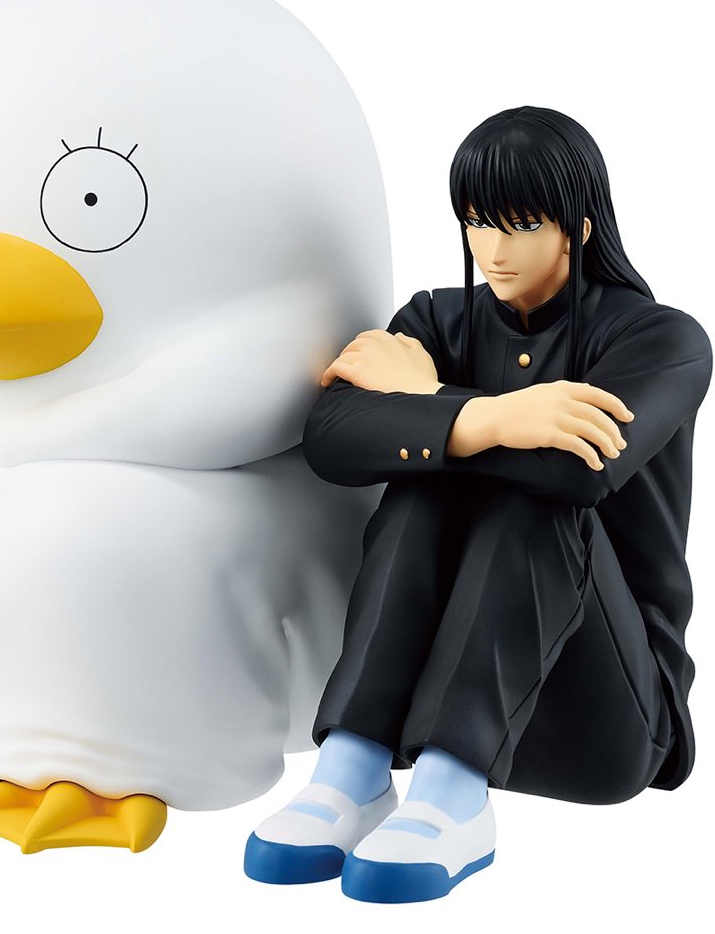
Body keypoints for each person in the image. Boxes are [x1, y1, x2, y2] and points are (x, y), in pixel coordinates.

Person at [243, 106, 713, 903]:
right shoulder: (435, 319)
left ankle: (454, 800)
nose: (492, 250)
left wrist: (427, 401)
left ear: (577, 227)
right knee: (423, 490)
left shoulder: (661, 340)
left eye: (520, 225)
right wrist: (494, 418)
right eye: (476, 222)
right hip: (418, 718)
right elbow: (331, 439)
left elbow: (577, 476)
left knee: (531, 496)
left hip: (600, 716)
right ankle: (351, 770)